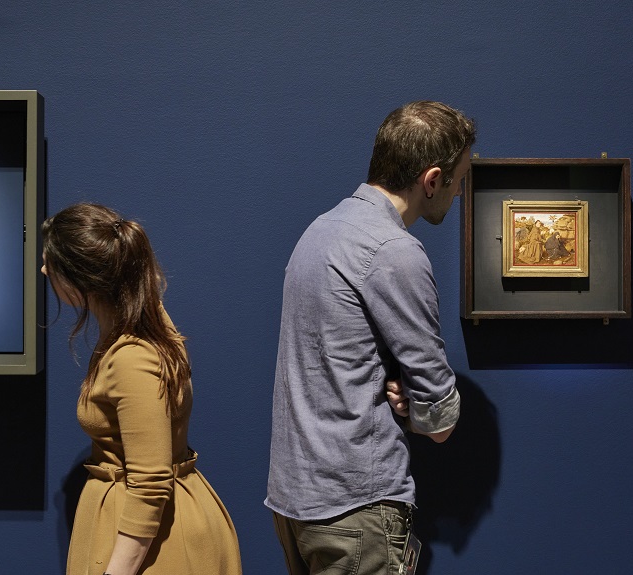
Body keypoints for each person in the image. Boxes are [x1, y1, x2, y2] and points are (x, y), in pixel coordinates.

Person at [266, 101, 475, 575]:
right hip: (355, 504)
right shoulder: (394, 250)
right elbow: (441, 419)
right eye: (459, 179)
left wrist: (402, 392)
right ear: (432, 180)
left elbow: (340, 360)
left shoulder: (320, 230)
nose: (460, 192)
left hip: (296, 498)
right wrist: (416, 405)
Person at [42, 203, 242, 575]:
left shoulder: (132, 357)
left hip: (153, 548)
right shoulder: (144, 325)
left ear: (78, 279)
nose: (43, 270)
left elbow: (149, 483)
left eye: (49, 263)